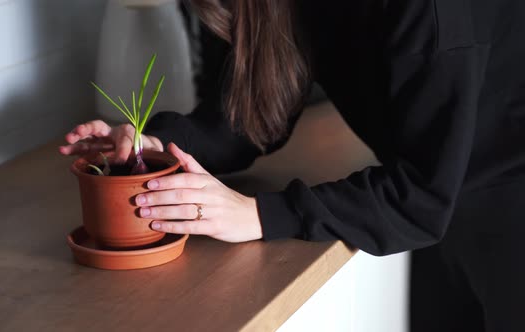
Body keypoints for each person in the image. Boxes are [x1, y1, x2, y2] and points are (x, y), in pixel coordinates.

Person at [60, 1, 525, 331]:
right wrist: (156, 142)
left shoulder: (434, 11)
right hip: (446, 201)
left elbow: (422, 200)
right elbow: (257, 111)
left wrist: (258, 214)